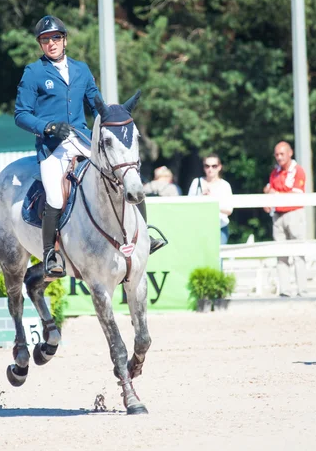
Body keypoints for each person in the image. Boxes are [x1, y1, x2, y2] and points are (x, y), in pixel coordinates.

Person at [14, 15, 165, 278]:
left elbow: (98, 105)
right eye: (45, 40)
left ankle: (145, 235)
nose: (51, 44)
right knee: (54, 195)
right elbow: (21, 114)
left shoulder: (81, 69)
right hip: (53, 146)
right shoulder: (34, 72)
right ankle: (50, 253)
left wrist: (114, 116)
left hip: (83, 140)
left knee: (124, 177)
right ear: (40, 44)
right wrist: (47, 127)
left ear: (65, 40)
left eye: (56, 38)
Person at [263, 141, 307, 297]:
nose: (279, 157)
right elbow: (269, 189)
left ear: (290, 153)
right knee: (281, 254)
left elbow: (297, 194)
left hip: (294, 214)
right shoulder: (275, 172)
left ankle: (302, 290)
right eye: (276, 155)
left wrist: (277, 195)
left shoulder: (298, 171)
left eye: (282, 154)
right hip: (278, 216)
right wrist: (268, 199)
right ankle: (285, 290)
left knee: (298, 252)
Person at [188, 153, 233, 244]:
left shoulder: (225, 185)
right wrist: (201, 199)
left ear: (219, 167)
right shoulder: (196, 183)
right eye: (207, 166)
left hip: (219, 227)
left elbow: (229, 210)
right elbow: (189, 206)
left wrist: (211, 201)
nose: (210, 169)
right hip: (200, 227)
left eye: (214, 166)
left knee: (217, 257)